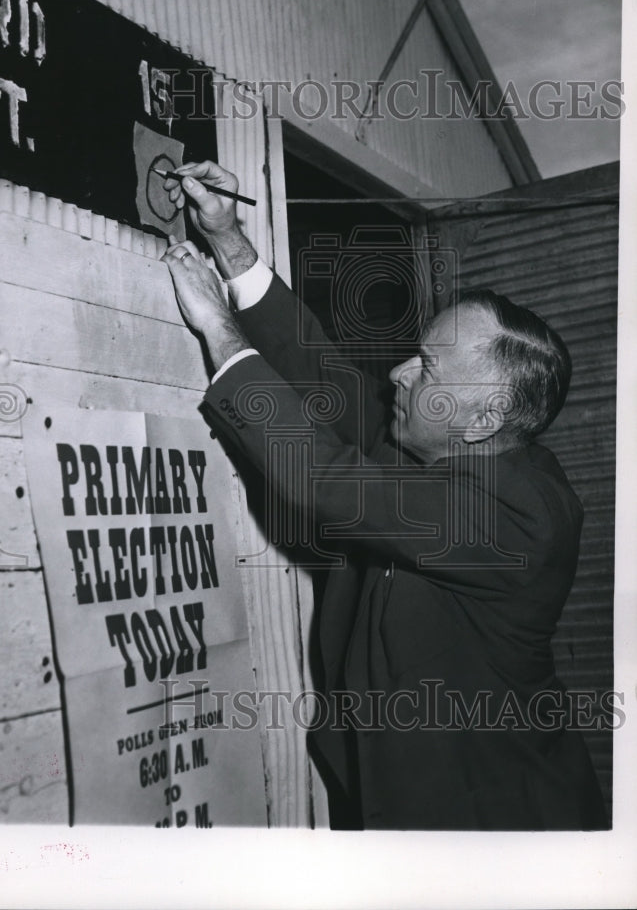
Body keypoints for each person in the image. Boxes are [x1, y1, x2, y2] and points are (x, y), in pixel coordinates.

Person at [160, 160, 607, 830]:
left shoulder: (519, 515)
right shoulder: (440, 442)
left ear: (481, 420)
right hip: (393, 787)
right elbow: (325, 376)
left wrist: (218, 329)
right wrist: (229, 242)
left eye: (424, 369)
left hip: (494, 822)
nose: (397, 373)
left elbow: (322, 480)